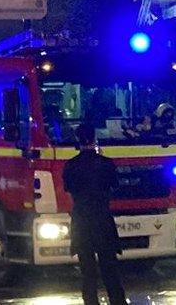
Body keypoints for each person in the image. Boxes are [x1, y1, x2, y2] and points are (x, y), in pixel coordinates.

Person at [62, 123, 126, 305]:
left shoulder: (71, 166)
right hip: (102, 220)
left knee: (87, 273)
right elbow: (114, 186)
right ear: (94, 139)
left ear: (78, 140)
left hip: (81, 223)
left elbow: (68, 188)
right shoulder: (106, 164)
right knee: (110, 270)